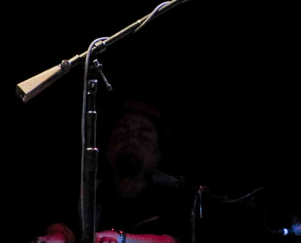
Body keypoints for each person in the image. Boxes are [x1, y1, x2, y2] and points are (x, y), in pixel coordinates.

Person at [31, 100, 191, 243]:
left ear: (159, 152)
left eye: (143, 134)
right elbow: (66, 226)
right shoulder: (90, 190)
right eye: (122, 130)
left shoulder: (175, 193)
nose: (131, 139)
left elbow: (173, 239)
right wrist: (57, 236)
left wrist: (120, 238)